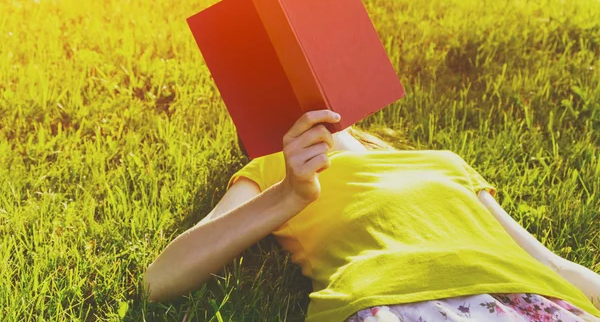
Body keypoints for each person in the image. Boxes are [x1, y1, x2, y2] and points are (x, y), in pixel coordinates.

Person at [143, 109, 600, 321]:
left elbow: (551, 264)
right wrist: (286, 195)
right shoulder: (273, 171)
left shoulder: (442, 160)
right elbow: (159, 279)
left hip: (535, 303)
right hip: (397, 306)